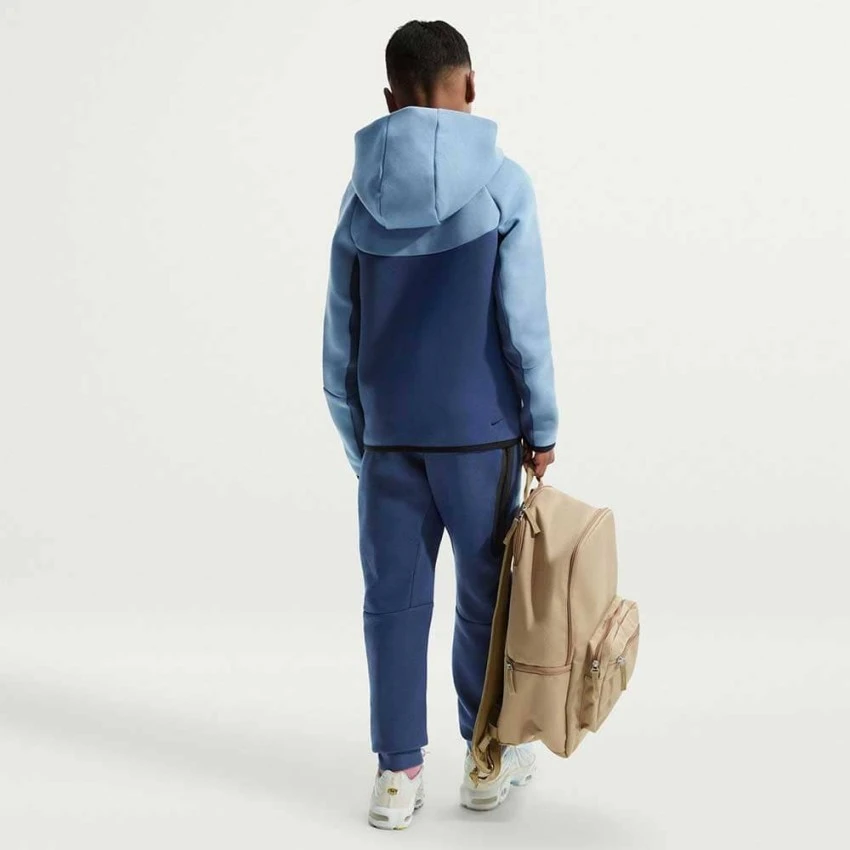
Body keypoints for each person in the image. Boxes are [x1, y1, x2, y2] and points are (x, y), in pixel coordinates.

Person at [321, 19, 558, 830]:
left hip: (390, 435)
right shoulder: (504, 185)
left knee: (392, 602)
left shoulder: (359, 194)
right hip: (481, 434)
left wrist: (361, 435)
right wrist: (542, 425)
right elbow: (522, 322)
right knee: (487, 599)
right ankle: (486, 757)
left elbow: (340, 334)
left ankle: (397, 774)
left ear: (390, 100)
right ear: (472, 86)